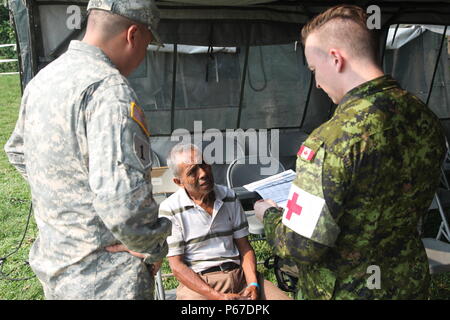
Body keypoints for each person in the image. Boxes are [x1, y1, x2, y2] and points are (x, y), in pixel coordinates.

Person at [254, 4, 447, 300]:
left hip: (345, 291)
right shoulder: (424, 118)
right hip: (408, 283)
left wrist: (269, 215)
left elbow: (302, 245)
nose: (317, 83)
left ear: (335, 58)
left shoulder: (331, 140)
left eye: (314, 70)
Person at [4, 0, 171, 299]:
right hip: (107, 278)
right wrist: (154, 246)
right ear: (133, 35)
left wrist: (71, 205)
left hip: (59, 265)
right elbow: (123, 203)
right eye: (148, 44)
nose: (144, 56)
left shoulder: (44, 79)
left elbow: (17, 151)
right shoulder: (109, 90)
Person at [158, 143, 291, 300]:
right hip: (200, 285)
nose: (203, 173)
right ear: (179, 182)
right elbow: (177, 267)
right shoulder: (170, 208)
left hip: (240, 276)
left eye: (203, 164)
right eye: (192, 171)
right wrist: (218, 296)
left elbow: (245, 247)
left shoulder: (228, 196)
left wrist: (253, 284)